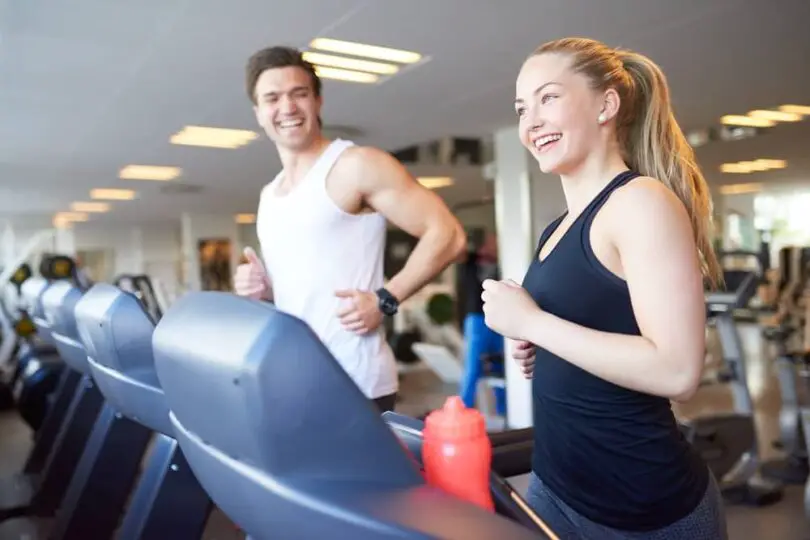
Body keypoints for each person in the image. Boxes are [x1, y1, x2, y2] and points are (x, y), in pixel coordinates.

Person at [480, 37, 728, 539]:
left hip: (643, 509)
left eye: (548, 98)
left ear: (606, 105)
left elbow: (678, 370)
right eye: (522, 108)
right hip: (557, 486)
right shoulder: (557, 228)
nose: (530, 122)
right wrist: (540, 346)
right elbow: (593, 329)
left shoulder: (640, 202)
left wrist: (534, 323)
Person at [233, 46, 466, 414]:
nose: (288, 108)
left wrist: (385, 299)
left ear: (318, 101)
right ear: (258, 113)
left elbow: (448, 234)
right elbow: (301, 294)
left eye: (299, 94)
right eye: (273, 98)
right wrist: (263, 290)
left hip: (356, 382)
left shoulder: (355, 166)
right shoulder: (269, 196)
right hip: (293, 381)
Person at [457, 232, 506, 416]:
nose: (494, 245)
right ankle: (461, 413)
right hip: (476, 319)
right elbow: (457, 250)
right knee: (472, 368)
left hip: (500, 317)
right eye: (492, 241)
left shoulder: (504, 262)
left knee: (501, 367)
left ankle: (504, 411)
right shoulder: (470, 260)